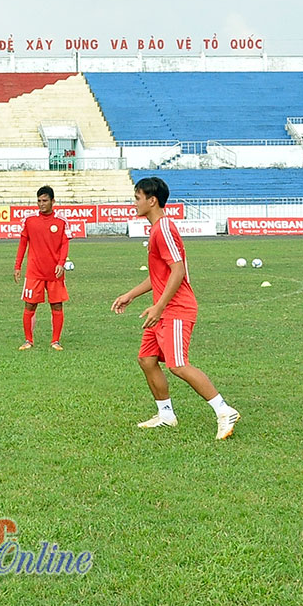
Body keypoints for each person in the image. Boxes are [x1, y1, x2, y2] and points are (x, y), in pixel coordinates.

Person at [112, 177, 240, 439]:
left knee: (178, 365)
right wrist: (131, 295)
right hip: (162, 309)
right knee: (147, 360)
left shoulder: (164, 228)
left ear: (152, 200)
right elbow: (160, 275)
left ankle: (224, 410)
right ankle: (166, 414)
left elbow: (178, 271)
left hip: (176, 309)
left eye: (137, 198)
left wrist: (159, 306)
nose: (133, 202)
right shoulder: (156, 229)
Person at [13, 186, 69, 351]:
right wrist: (17, 266)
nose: (41, 204)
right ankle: (28, 340)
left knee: (57, 305)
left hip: (54, 272)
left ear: (53, 201)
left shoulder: (61, 220)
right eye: (39, 201)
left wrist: (61, 263)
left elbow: (65, 244)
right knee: (29, 305)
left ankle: (55, 341)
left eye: (45, 201)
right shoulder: (29, 220)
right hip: (34, 271)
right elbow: (23, 244)